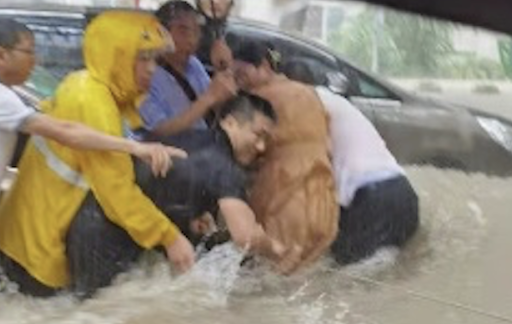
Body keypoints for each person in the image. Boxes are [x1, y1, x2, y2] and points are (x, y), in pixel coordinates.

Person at [0, 19, 184, 310]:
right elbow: (67, 132)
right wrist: (135, 147)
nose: (35, 59)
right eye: (29, 51)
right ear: (1, 55)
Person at [0, 11, 197, 298]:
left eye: (155, 59)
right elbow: (117, 194)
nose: (152, 69)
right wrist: (170, 237)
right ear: (117, 56)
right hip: (34, 253)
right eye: (143, 58)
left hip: (16, 239)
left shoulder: (84, 83)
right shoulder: (93, 102)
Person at [65, 92, 285, 298]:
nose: (262, 146)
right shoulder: (223, 165)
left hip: (90, 226)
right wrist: (275, 248)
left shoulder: (193, 139)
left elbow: (161, 190)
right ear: (229, 123)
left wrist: (187, 221)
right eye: (258, 135)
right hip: (105, 241)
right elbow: (245, 236)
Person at [280, 61, 420, 264]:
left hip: (374, 201)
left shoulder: (308, 104)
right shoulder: (335, 101)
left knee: (345, 279)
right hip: (403, 195)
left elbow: (316, 160)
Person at [231, 38, 339, 274]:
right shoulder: (309, 93)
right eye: (233, 73)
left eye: (241, 72)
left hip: (284, 198)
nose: (237, 79)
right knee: (307, 279)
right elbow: (329, 147)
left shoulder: (256, 101)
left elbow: (242, 154)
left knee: (272, 281)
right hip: (324, 197)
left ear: (264, 65)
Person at [138, 0, 236, 137]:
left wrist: (224, 69)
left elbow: (218, 107)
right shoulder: (145, 73)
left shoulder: (194, 64)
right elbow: (158, 130)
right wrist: (208, 98)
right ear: (161, 32)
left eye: (196, 32)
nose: (192, 40)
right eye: (183, 32)